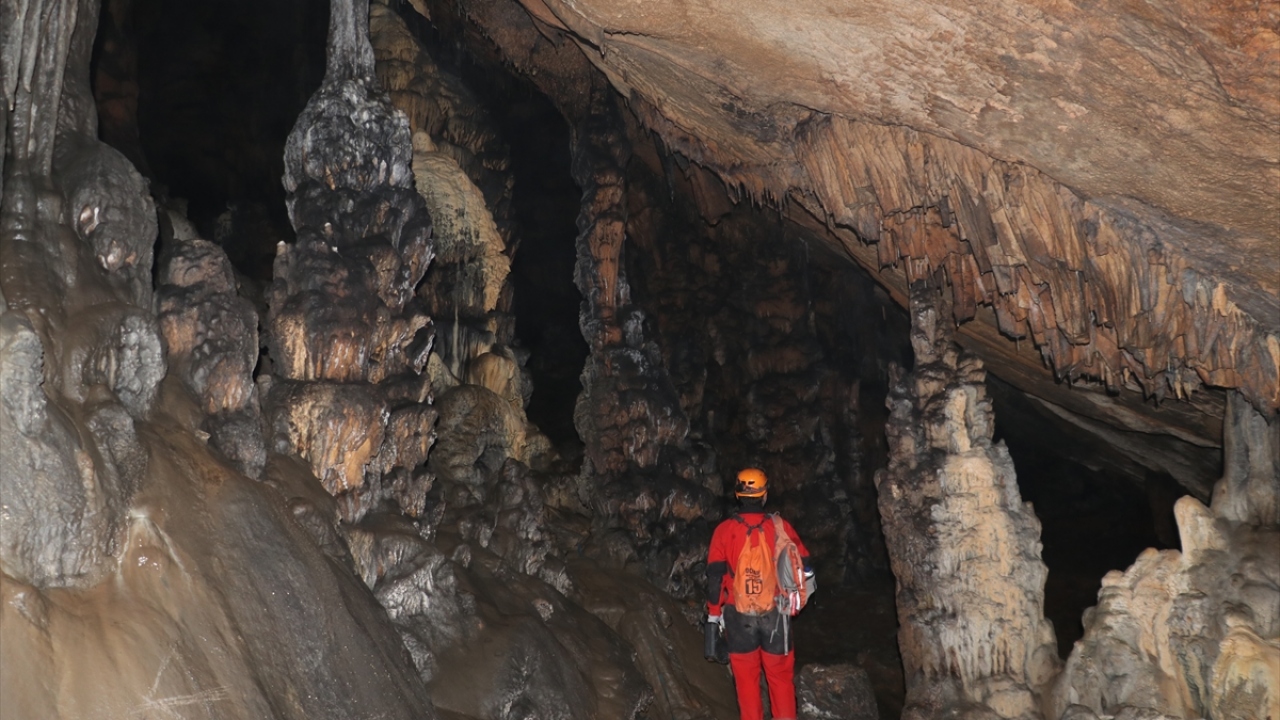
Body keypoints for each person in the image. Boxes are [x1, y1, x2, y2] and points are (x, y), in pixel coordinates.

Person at [705, 468, 813, 720]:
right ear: (764, 496)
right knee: (780, 680)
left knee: (746, 683)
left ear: (737, 495)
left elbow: (714, 578)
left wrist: (713, 614)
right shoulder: (780, 527)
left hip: (737, 615)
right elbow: (805, 564)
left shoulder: (723, 531)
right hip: (776, 613)